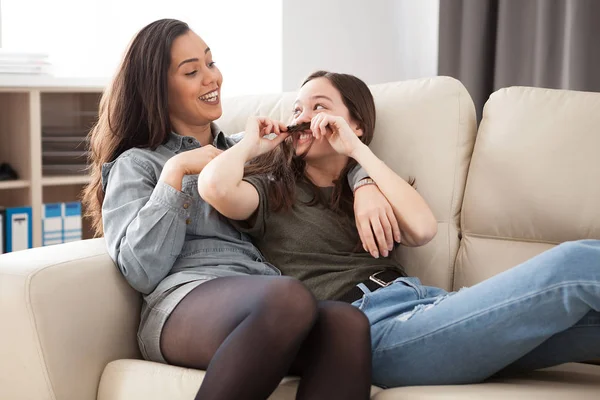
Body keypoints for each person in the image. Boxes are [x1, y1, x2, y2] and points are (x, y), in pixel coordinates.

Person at [198, 70, 600, 388]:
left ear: (353, 124)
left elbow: (422, 228)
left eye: (318, 107)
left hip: (426, 305)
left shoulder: (366, 182)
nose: (302, 117)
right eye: (297, 108)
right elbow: (215, 187)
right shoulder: (272, 192)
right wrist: (251, 144)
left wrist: (358, 159)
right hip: (372, 331)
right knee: (576, 262)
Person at [83, 19, 400, 400]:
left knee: (346, 322)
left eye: (211, 63)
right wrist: (177, 170)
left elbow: (326, 143)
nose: (211, 78)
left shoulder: (252, 147)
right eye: (191, 71)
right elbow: (140, 270)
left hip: (267, 299)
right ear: (158, 89)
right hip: (184, 306)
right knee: (290, 296)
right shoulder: (138, 164)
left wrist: (363, 182)